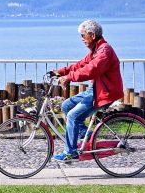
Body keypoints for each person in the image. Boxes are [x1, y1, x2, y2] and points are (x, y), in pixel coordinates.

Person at [51, 19, 124, 162]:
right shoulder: (96, 50)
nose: (82, 39)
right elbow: (80, 65)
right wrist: (59, 72)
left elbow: (91, 70)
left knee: (72, 116)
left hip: (104, 93)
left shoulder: (104, 51)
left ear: (92, 35)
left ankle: (70, 152)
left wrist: (68, 78)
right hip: (95, 90)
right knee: (66, 105)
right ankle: (88, 135)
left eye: (83, 35)